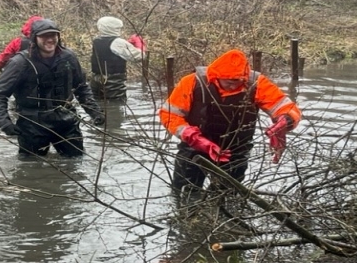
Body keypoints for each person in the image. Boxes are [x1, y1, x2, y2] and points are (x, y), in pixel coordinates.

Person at [159, 49, 302, 200]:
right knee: (184, 194)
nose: (234, 86)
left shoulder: (256, 83)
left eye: (239, 82)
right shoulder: (192, 82)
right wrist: (193, 137)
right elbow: (169, 114)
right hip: (194, 148)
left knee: (227, 197)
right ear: (217, 76)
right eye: (229, 82)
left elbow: (286, 107)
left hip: (236, 151)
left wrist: (284, 121)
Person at [0, 18, 105, 157]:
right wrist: (5, 123)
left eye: (53, 35)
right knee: (31, 169)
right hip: (32, 124)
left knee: (76, 162)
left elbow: (81, 88)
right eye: (44, 36)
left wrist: (94, 112)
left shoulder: (69, 57)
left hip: (66, 120)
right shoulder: (19, 63)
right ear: (34, 38)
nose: (50, 40)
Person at [89, 16, 146, 100]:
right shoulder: (118, 42)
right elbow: (138, 56)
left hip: (96, 80)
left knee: (98, 104)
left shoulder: (96, 40)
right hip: (113, 82)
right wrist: (140, 45)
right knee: (117, 104)